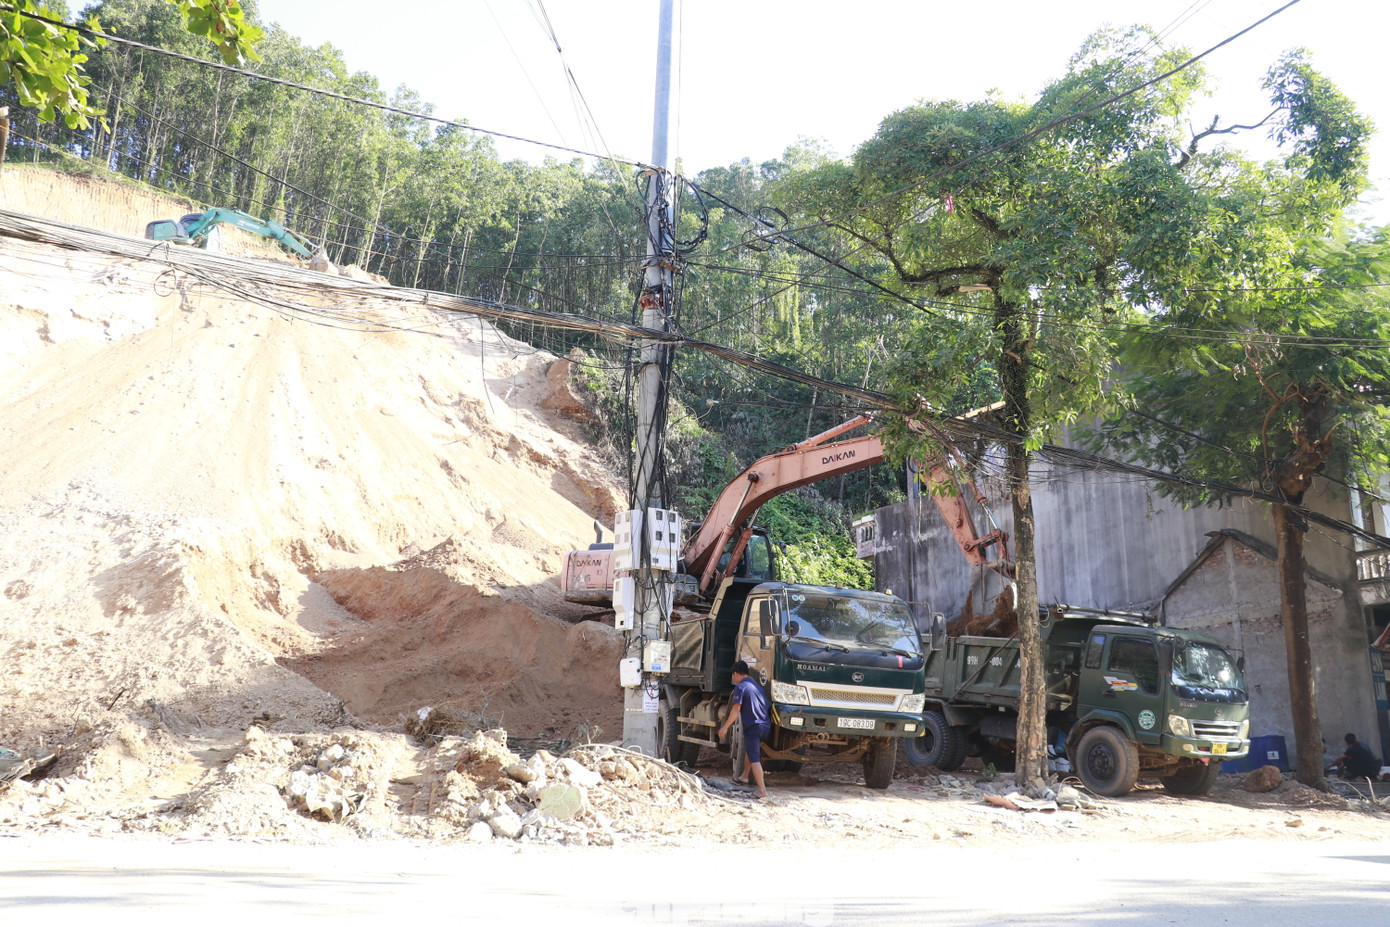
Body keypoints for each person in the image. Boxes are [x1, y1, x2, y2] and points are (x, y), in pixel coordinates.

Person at [717, 659, 771, 798]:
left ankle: (762, 791)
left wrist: (725, 727)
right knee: (751, 750)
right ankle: (745, 776)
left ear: (735, 674)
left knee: (755, 759)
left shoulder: (740, 687)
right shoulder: (756, 686)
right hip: (764, 725)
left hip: (753, 726)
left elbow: (735, 710)